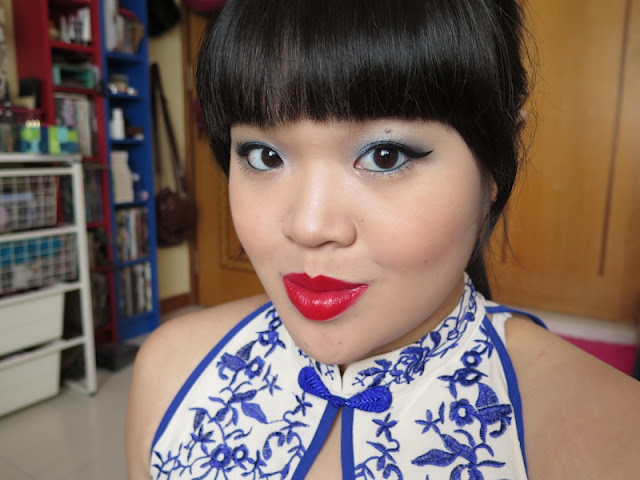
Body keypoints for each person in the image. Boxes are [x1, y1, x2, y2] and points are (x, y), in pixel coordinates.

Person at [126, 1, 640, 478]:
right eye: (265, 155)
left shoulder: (611, 441)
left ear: (496, 164)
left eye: (385, 156)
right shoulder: (171, 372)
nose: (309, 226)